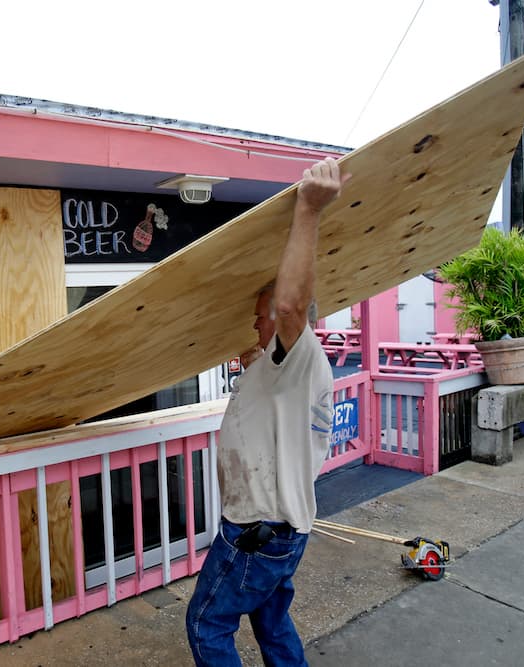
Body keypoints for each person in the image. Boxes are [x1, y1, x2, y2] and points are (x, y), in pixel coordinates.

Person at [185, 158, 349, 665]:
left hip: (255, 533)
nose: (256, 326)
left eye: (261, 318)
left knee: (206, 624)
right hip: (281, 533)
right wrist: (255, 365)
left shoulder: (300, 356)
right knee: (271, 622)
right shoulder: (280, 369)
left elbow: (292, 305)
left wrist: (308, 208)